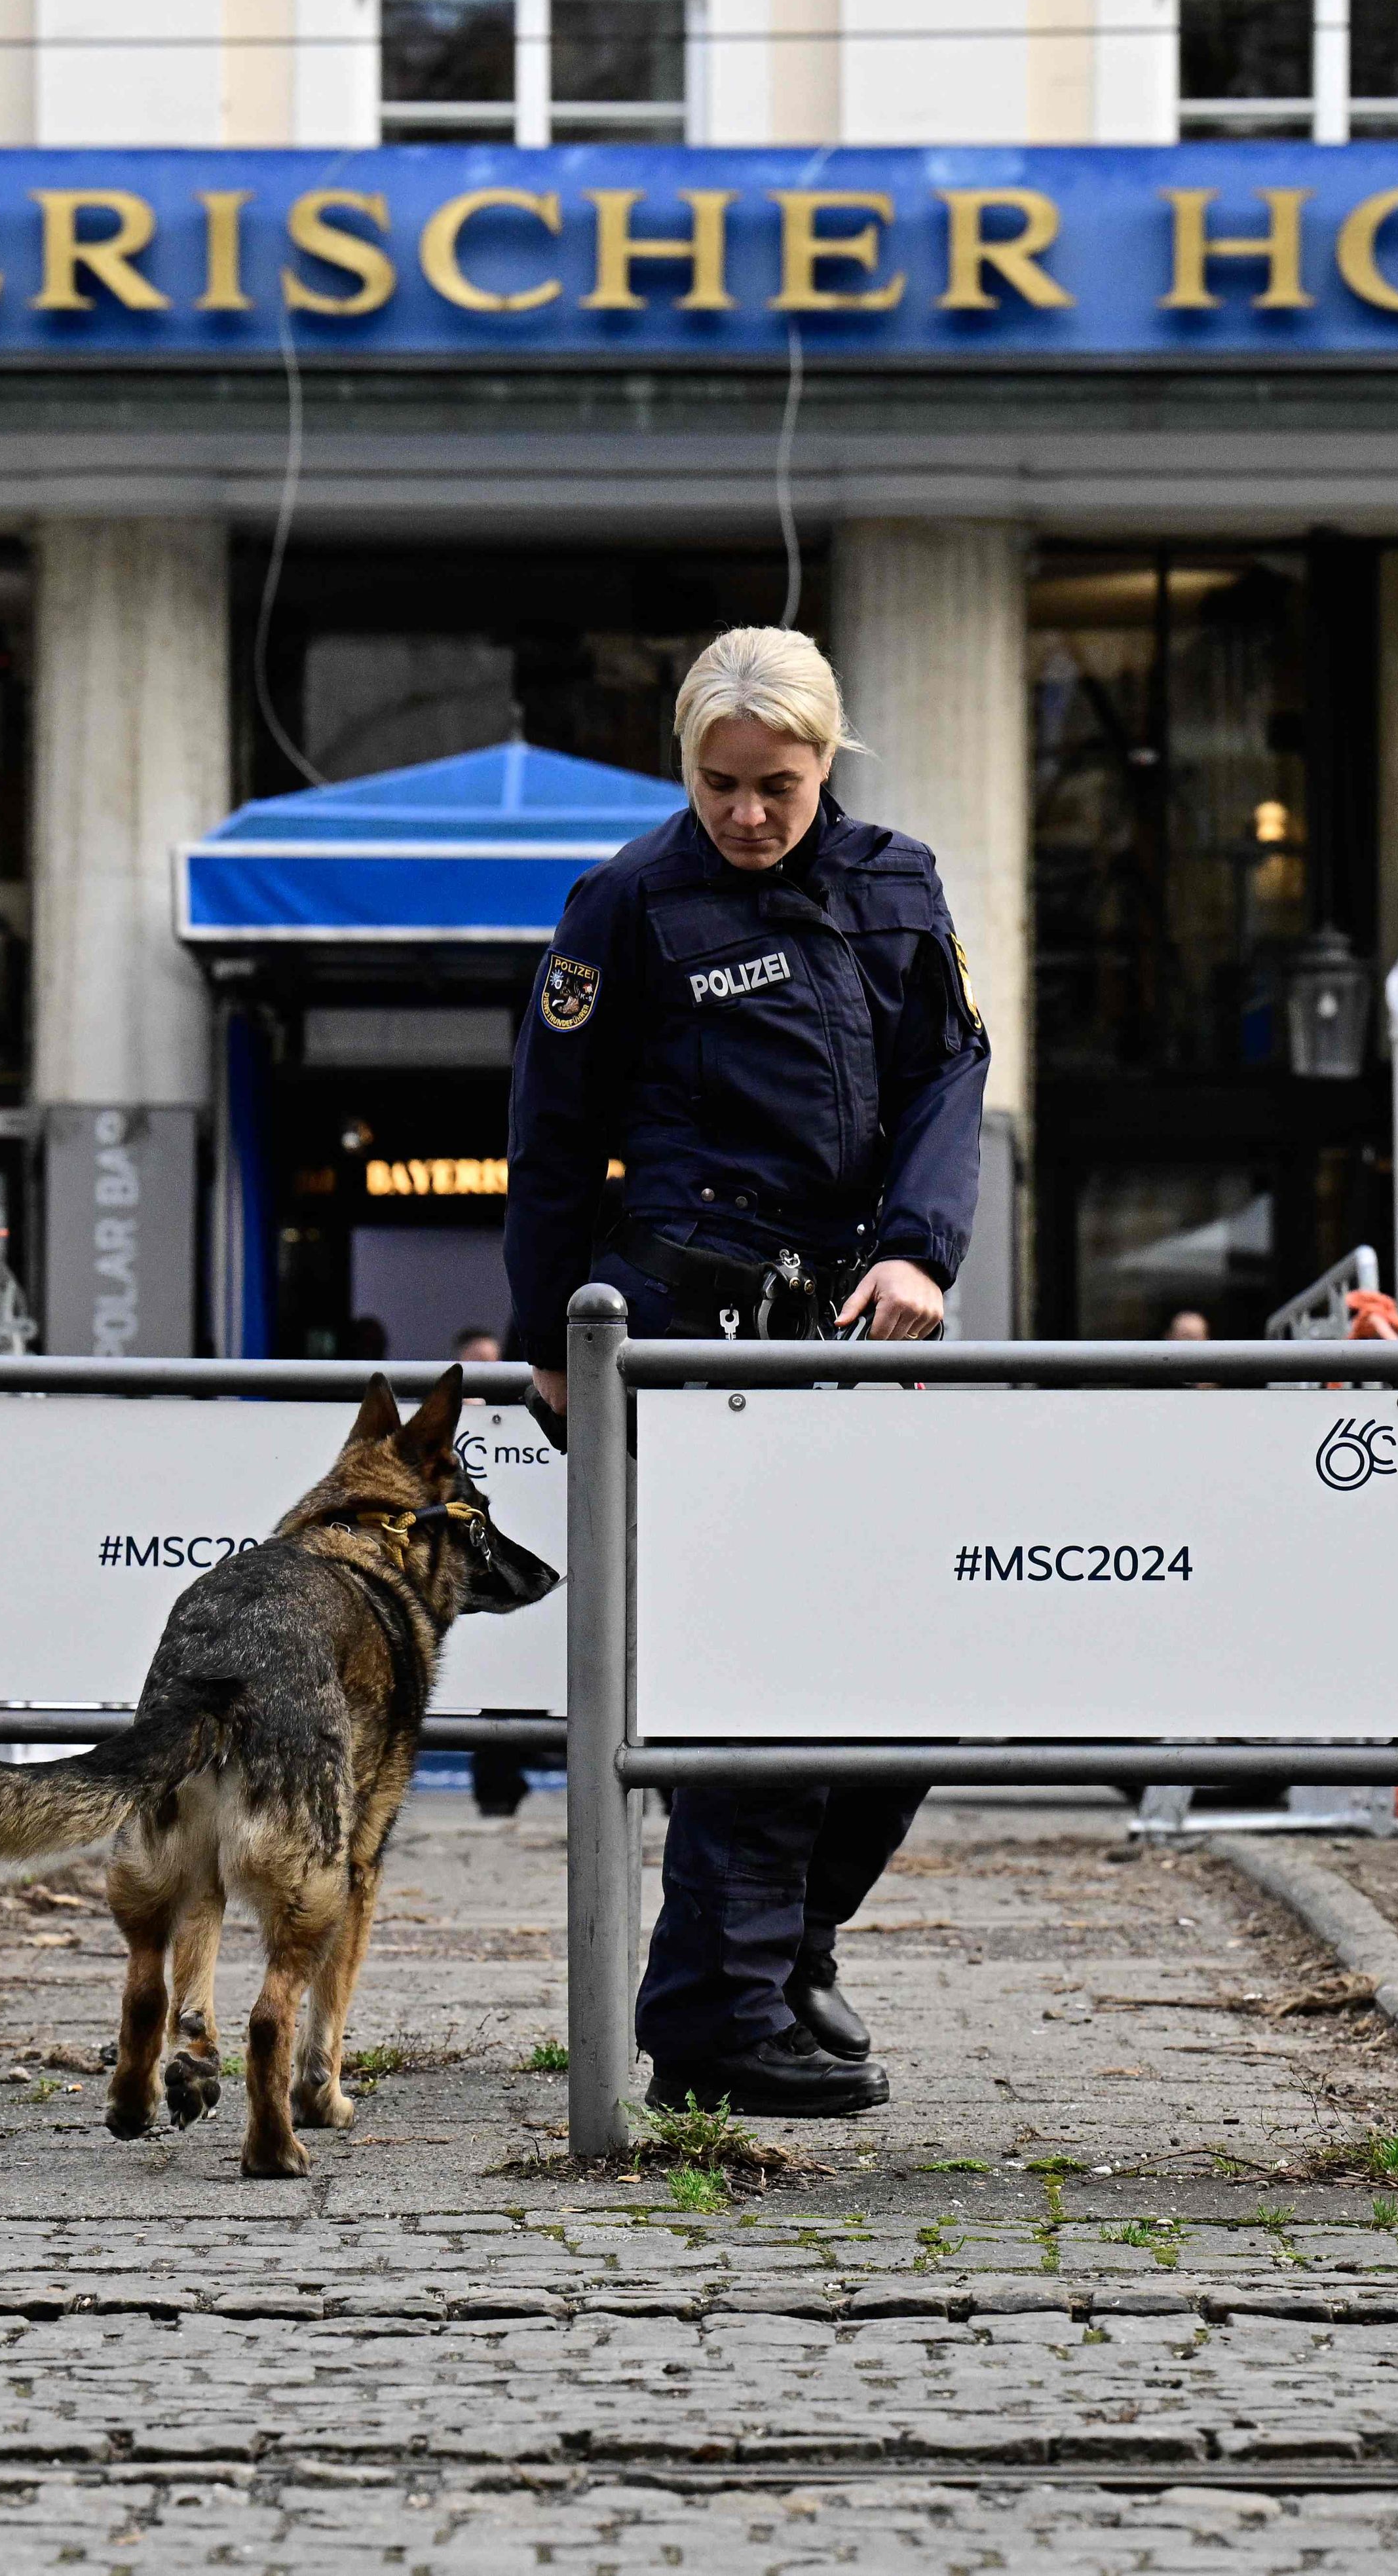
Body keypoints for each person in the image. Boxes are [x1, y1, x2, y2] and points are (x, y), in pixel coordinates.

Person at [502, 625, 989, 2119]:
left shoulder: (898, 882)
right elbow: (549, 1134)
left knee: (914, 1673)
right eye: (719, 783)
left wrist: (919, 1250)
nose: (747, 812)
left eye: (777, 783)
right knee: (770, 1663)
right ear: (685, 764)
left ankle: (784, 1960)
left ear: (826, 761)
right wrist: (550, 1342)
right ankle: (718, 2017)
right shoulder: (629, 900)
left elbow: (949, 1071)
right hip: (687, 1324)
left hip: (851, 1324)